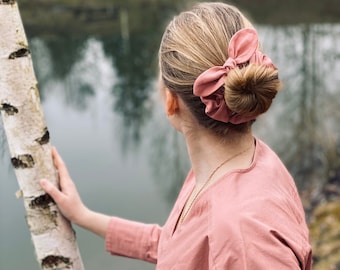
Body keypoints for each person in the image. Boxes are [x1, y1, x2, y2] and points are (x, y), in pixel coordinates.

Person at [40, 2, 312, 269]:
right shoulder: (238, 164)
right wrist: (84, 216)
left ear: (171, 102)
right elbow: (182, 247)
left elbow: (224, 243)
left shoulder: (243, 236)